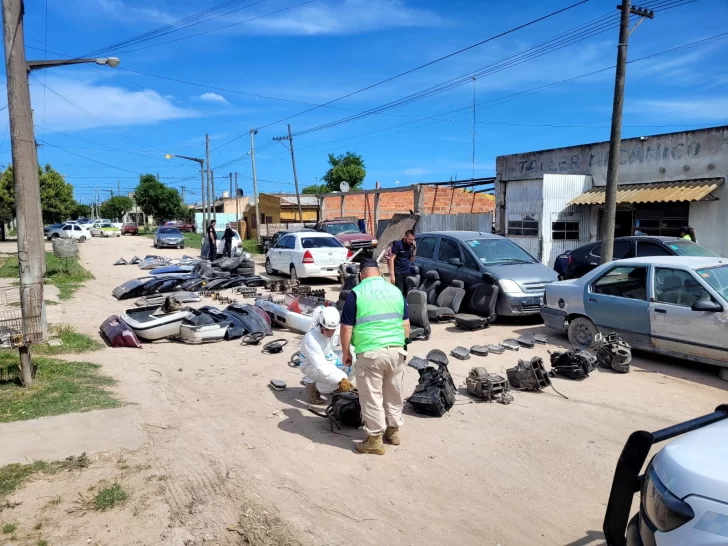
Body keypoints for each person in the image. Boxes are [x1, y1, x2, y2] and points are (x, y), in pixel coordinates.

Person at [340, 259, 410, 455]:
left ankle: (374, 440)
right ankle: (394, 432)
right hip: (397, 351)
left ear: (361, 275)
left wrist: (346, 353)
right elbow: (406, 325)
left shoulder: (357, 293)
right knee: (393, 393)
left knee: (372, 397)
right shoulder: (395, 291)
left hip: (371, 353)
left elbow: (346, 328)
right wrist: (401, 347)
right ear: (380, 274)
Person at [299, 306, 353, 405]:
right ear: (320, 325)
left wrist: (349, 354)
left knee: (352, 362)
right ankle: (313, 387)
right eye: (327, 330)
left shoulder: (334, 329)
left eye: (332, 330)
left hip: (327, 356)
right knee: (337, 380)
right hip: (310, 365)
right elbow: (321, 366)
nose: (330, 333)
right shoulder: (311, 339)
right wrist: (341, 380)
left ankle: (340, 389)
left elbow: (346, 343)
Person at [386, 229, 416, 296]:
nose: (411, 241)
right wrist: (392, 275)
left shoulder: (411, 246)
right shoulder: (398, 244)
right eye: (409, 239)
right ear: (405, 237)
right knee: (399, 293)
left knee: (406, 293)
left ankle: (405, 305)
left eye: (412, 240)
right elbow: (391, 259)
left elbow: (411, 260)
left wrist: (414, 249)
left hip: (407, 272)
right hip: (398, 273)